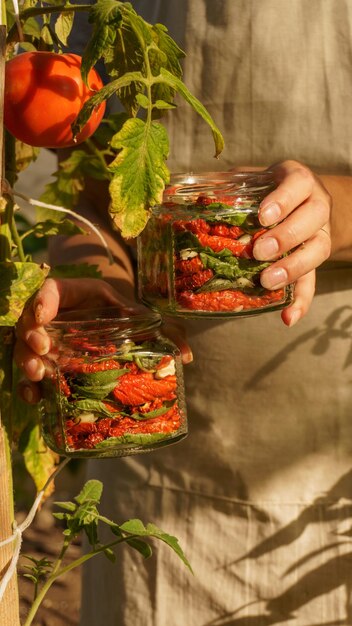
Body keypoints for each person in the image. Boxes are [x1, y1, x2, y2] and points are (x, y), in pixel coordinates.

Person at [15, 1, 352, 624]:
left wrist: (334, 206)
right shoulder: (102, 16)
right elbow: (93, 187)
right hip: (158, 458)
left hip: (335, 464)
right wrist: (100, 279)